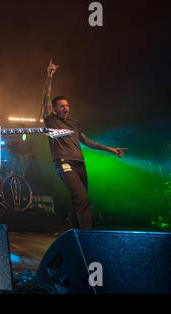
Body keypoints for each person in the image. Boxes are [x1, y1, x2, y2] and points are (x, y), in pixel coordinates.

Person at [42, 59, 126, 229]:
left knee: (77, 199)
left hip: (80, 164)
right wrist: (49, 77)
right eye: (61, 106)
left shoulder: (73, 124)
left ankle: (72, 231)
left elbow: (87, 141)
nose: (66, 108)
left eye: (67, 105)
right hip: (64, 163)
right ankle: (88, 234)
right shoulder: (50, 120)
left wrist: (110, 149)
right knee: (82, 198)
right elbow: (45, 97)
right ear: (54, 109)